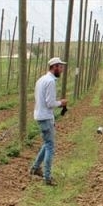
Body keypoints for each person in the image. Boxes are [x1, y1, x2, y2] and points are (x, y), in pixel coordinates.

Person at [30, 57, 68, 186]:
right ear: (55, 67)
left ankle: (35, 169)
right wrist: (61, 103)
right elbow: (50, 103)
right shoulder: (50, 82)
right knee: (50, 146)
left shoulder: (41, 79)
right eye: (60, 67)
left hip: (41, 115)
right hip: (45, 116)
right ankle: (47, 177)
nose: (62, 69)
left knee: (46, 144)